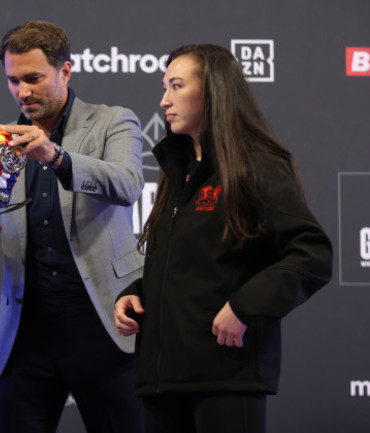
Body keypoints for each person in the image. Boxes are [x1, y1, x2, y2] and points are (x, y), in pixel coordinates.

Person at [113, 43, 333, 433]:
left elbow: (311, 254)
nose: (164, 100)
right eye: (164, 87)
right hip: (161, 383)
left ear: (212, 91)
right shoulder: (175, 170)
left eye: (177, 86)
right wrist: (137, 292)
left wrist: (245, 306)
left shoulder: (256, 166)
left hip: (226, 378)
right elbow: (196, 263)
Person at [0, 20, 145, 433]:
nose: (22, 91)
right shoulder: (1, 145)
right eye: (13, 80)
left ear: (65, 71)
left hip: (104, 325)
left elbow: (128, 184)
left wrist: (56, 156)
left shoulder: (113, 121)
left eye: (33, 78)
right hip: (25, 337)